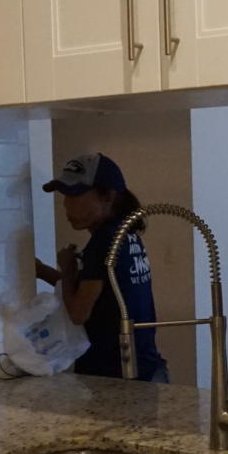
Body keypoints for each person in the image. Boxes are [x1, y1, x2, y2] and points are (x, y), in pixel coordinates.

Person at [34, 152, 169, 383]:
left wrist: (67, 268)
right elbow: (90, 292)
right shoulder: (126, 235)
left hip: (116, 374)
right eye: (65, 196)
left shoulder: (105, 241)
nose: (66, 205)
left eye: (75, 195)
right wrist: (42, 270)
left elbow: (78, 312)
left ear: (108, 196)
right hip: (145, 368)